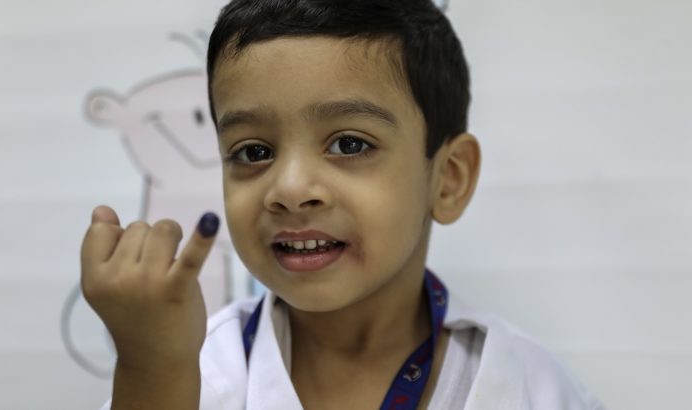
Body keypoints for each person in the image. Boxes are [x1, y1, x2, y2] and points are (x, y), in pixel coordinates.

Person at [82, 0, 604, 408]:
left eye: (349, 144)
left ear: (447, 179)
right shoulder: (188, 372)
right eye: (254, 151)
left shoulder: (528, 386)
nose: (288, 189)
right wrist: (151, 369)